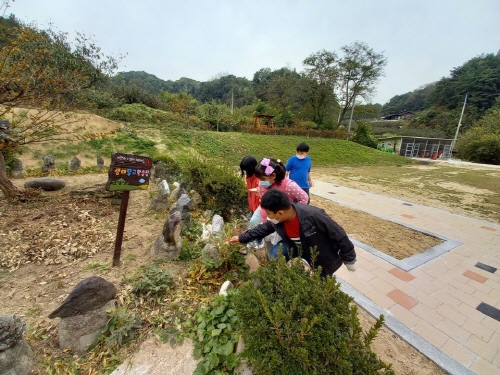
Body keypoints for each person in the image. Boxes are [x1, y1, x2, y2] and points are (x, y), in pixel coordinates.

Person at [229, 189, 357, 277]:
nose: (268, 217)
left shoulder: (313, 216)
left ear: (280, 213)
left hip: (320, 252)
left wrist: (349, 258)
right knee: (276, 253)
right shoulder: (279, 219)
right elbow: (263, 229)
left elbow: (338, 234)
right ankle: (280, 277)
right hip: (295, 245)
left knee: (322, 279)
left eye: (268, 214)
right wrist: (242, 238)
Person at [249, 157, 309, 256]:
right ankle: (270, 263)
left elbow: (304, 198)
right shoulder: (262, 184)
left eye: (263, 179)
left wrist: (292, 213)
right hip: (266, 222)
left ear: (273, 175)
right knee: (269, 248)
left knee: (278, 252)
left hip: (280, 225)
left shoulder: (288, 185)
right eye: (259, 179)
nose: (260, 182)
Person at [239, 156, 262, 249]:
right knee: (254, 224)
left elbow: (259, 195)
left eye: (245, 169)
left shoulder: (259, 179)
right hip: (252, 205)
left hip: (259, 206)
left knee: (256, 225)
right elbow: (250, 193)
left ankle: (259, 242)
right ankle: (256, 241)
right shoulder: (249, 177)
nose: (244, 171)